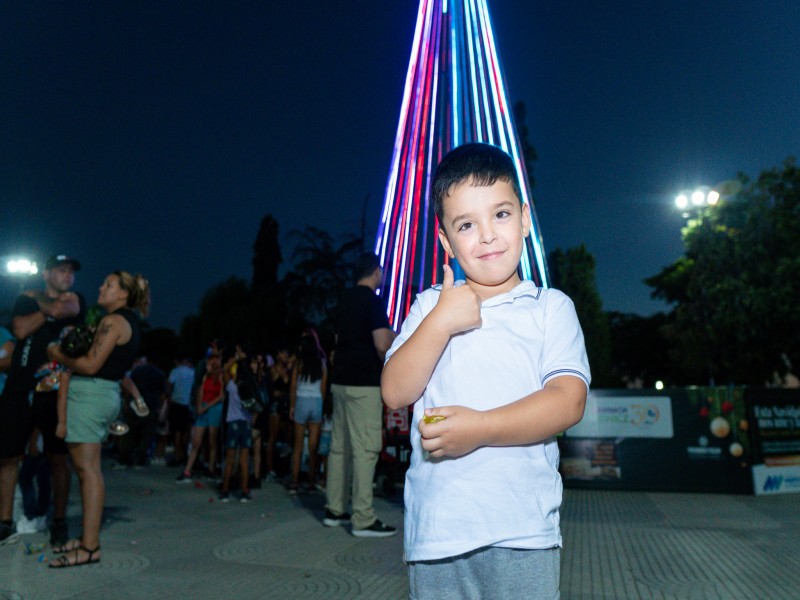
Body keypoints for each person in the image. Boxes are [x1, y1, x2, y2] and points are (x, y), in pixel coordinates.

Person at [381, 143, 591, 599]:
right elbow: (395, 392)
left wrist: (480, 429)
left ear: (525, 218)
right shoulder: (428, 307)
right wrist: (441, 319)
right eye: (466, 225)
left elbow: (568, 401)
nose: (488, 236)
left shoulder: (550, 309)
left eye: (500, 214)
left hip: (523, 531)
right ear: (446, 241)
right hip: (439, 533)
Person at [44, 270, 150, 568]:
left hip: (91, 396)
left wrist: (56, 353)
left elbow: (90, 365)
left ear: (124, 294)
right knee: (86, 469)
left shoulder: (114, 321)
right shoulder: (125, 320)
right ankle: (86, 538)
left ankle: (90, 547)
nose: (101, 288)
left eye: (109, 285)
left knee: (88, 471)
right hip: (101, 395)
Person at [0, 254, 85, 547]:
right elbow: (21, 330)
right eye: (62, 270)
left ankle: (59, 521)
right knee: (9, 456)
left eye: (71, 272)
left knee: (58, 458)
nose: (68, 276)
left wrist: (41, 303)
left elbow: (68, 308)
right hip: (19, 388)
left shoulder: (74, 300)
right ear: (46, 273)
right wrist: (51, 310)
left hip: (54, 390)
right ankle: (5, 522)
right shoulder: (24, 300)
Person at [323, 252, 396, 537]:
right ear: (376, 272)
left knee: (339, 447)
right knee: (366, 449)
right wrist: (394, 338)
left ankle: (334, 509)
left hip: (340, 380)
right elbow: (380, 343)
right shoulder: (373, 301)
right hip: (364, 382)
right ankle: (363, 518)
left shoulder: (344, 299)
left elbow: (338, 339)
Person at [287, 329, 327, 495]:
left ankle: (294, 482)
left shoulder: (299, 363)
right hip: (316, 402)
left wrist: (292, 406)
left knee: (297, 446)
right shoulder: (321, 363)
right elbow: (323, 388)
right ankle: (311, 482)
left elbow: (293, 386)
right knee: (312, 446)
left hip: (302, 401)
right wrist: (321, 405)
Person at [176, 350, 224, 483]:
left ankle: (211, 469)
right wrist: (199, 406)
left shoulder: (221, 376)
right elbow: (200, 390)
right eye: (211, 359)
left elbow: (221, 395)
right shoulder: (205, 376)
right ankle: (187, 470)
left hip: (214, 408)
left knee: (212, 441)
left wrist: (206, 406)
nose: (213, 361)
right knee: (196, 441)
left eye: (216, 358)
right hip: (203, 407)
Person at [117, 356, 165, 468]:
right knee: (146, 435)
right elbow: (163, 393)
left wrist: (127, 403)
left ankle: (126, 458)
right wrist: (160, 407)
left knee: (130, 433)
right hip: (152, 406)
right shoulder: (160, 374)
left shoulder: (138, 371)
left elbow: (130, 388)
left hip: (136, 404)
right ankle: (140, 459)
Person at [218, 360, 254, 503]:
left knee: (230, 460)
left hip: (233, 423)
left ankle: (225, 491)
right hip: (246, 423)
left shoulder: (232, 386)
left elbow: (224, 370)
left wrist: (236, 358)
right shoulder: (250, 388)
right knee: (244, 461)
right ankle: (244, 491)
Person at [166, 357, 194, 465]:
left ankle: (178, 455)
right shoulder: (192, 372)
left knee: (176, 431)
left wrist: (169, 397)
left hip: (177, 403)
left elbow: (169, 383)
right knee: (185, 431)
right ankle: (184, 454)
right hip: (187, 404)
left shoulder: (176, 371)